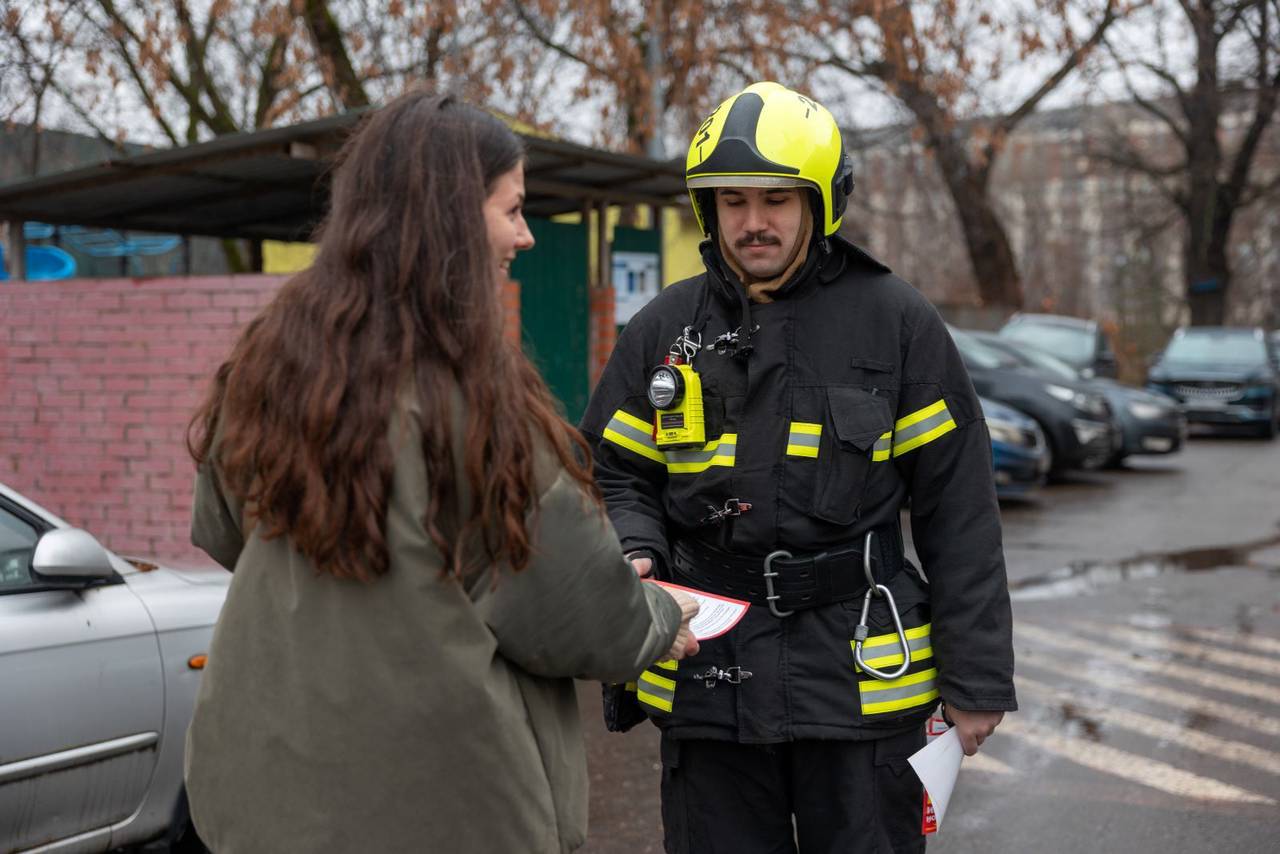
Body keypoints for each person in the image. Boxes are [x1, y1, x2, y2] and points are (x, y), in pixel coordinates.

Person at [183, 89, 700, 854]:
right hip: (435, 804)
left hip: (263, 790)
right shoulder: (472, 396)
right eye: (513, 209)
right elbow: (566, 604)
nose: (525, 235)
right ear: (453, 220)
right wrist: (660, 621)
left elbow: (221, 528)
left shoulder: (274, 359)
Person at [581, 81, 1016, 853]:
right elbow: (613, 472)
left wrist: (978, 682)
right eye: (733, 200)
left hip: (860, 692)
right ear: (707, 209)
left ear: (821, 203)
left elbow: (960, 512)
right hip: (710, 686)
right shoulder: (663, 330)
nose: (754, 222)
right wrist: (634, 546)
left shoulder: (897, 323)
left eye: (777, 199)